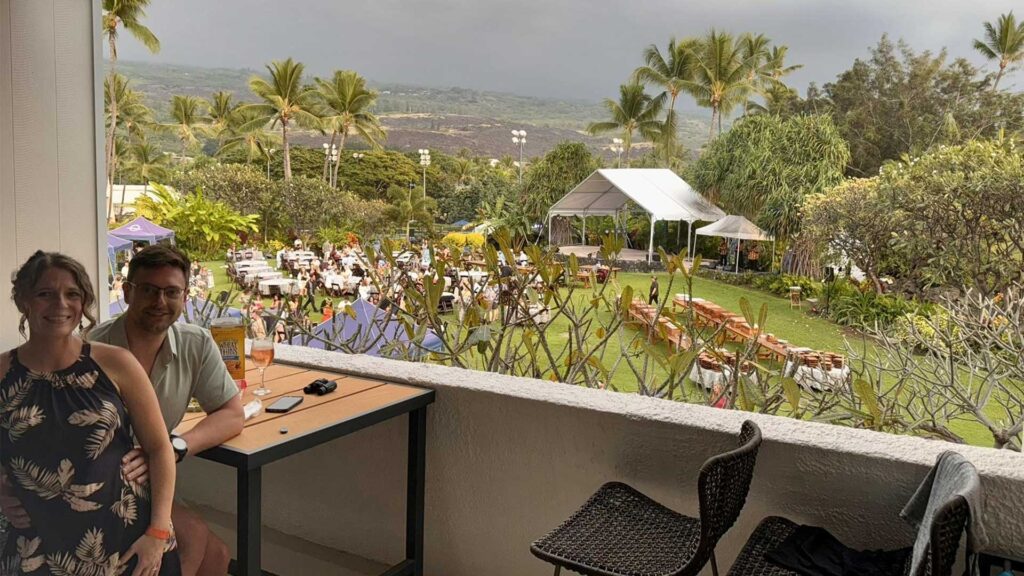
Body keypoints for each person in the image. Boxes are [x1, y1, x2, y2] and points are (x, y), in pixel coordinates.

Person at [0, 251, 181, 575]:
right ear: (24, 300)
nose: (61, 304)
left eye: (72, 294)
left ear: (84, 303)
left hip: (128, 543)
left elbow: (160, 449)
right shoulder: (1, 373)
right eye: (45, 294)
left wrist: (158, 533)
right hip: (39, 548)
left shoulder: (116, 363)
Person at [88, 246, 243, 576]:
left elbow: (232, 413)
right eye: (149, 290)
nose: (160, 302)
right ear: (128, 292)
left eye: (171, 292)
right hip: (102, 482)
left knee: (218, 556)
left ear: (185, 296)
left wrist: (175, 447)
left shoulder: (195, 344)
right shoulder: (93, 349)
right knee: (195, 536)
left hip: (154, 475)